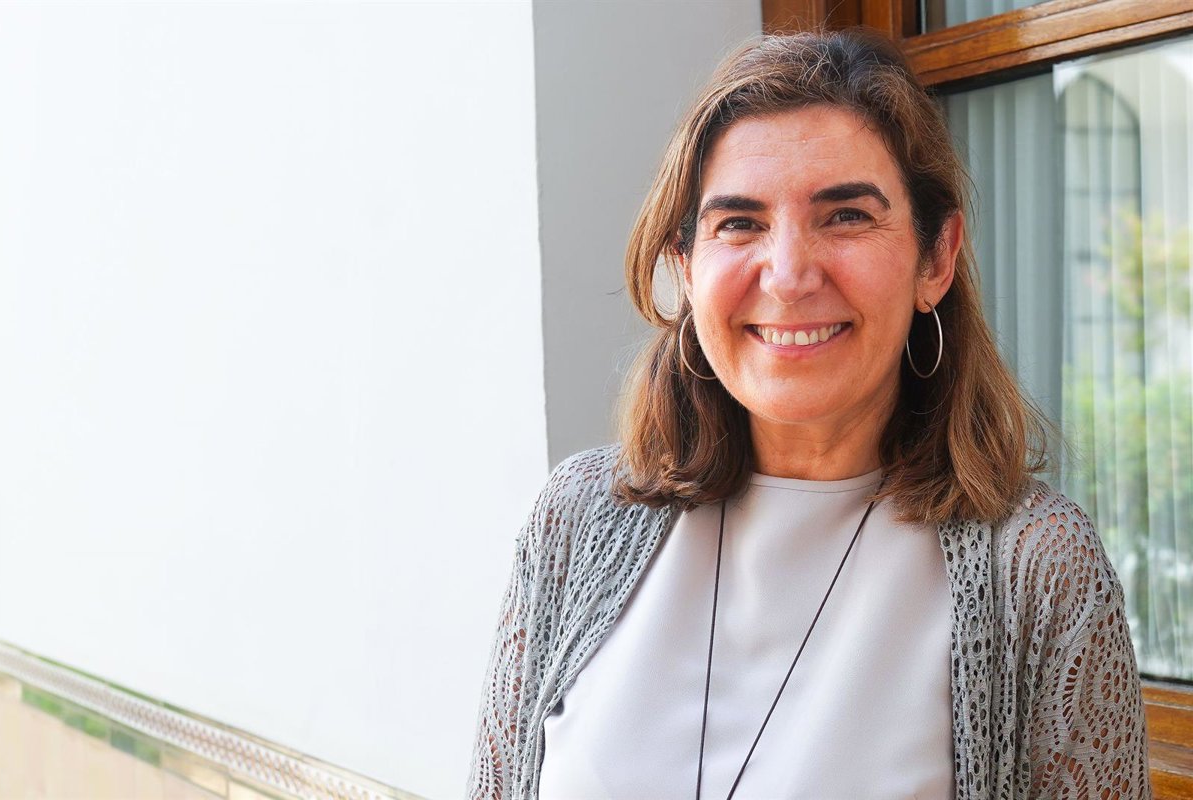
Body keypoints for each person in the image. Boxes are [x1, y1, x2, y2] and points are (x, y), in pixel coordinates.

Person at [467, 28, 1151, 800]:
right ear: (687, 268)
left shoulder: (1035, 567)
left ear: (935, 259)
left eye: (846, 215)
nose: (789, 276)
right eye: (739, 223)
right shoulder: (574, 520)